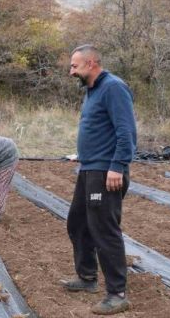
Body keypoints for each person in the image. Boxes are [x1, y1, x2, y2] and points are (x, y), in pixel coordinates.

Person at [62, 44, 136, 315]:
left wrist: (117, 165)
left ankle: (117, 294)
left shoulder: (113, 87)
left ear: (91, 63)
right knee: (78, 223)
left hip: (106, 172)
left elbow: (126, 130)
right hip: (89, 169)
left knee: (104, 230)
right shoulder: (93, 90)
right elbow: (98, 129)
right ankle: (87, 277)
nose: (71, 71)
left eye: (75, 66)